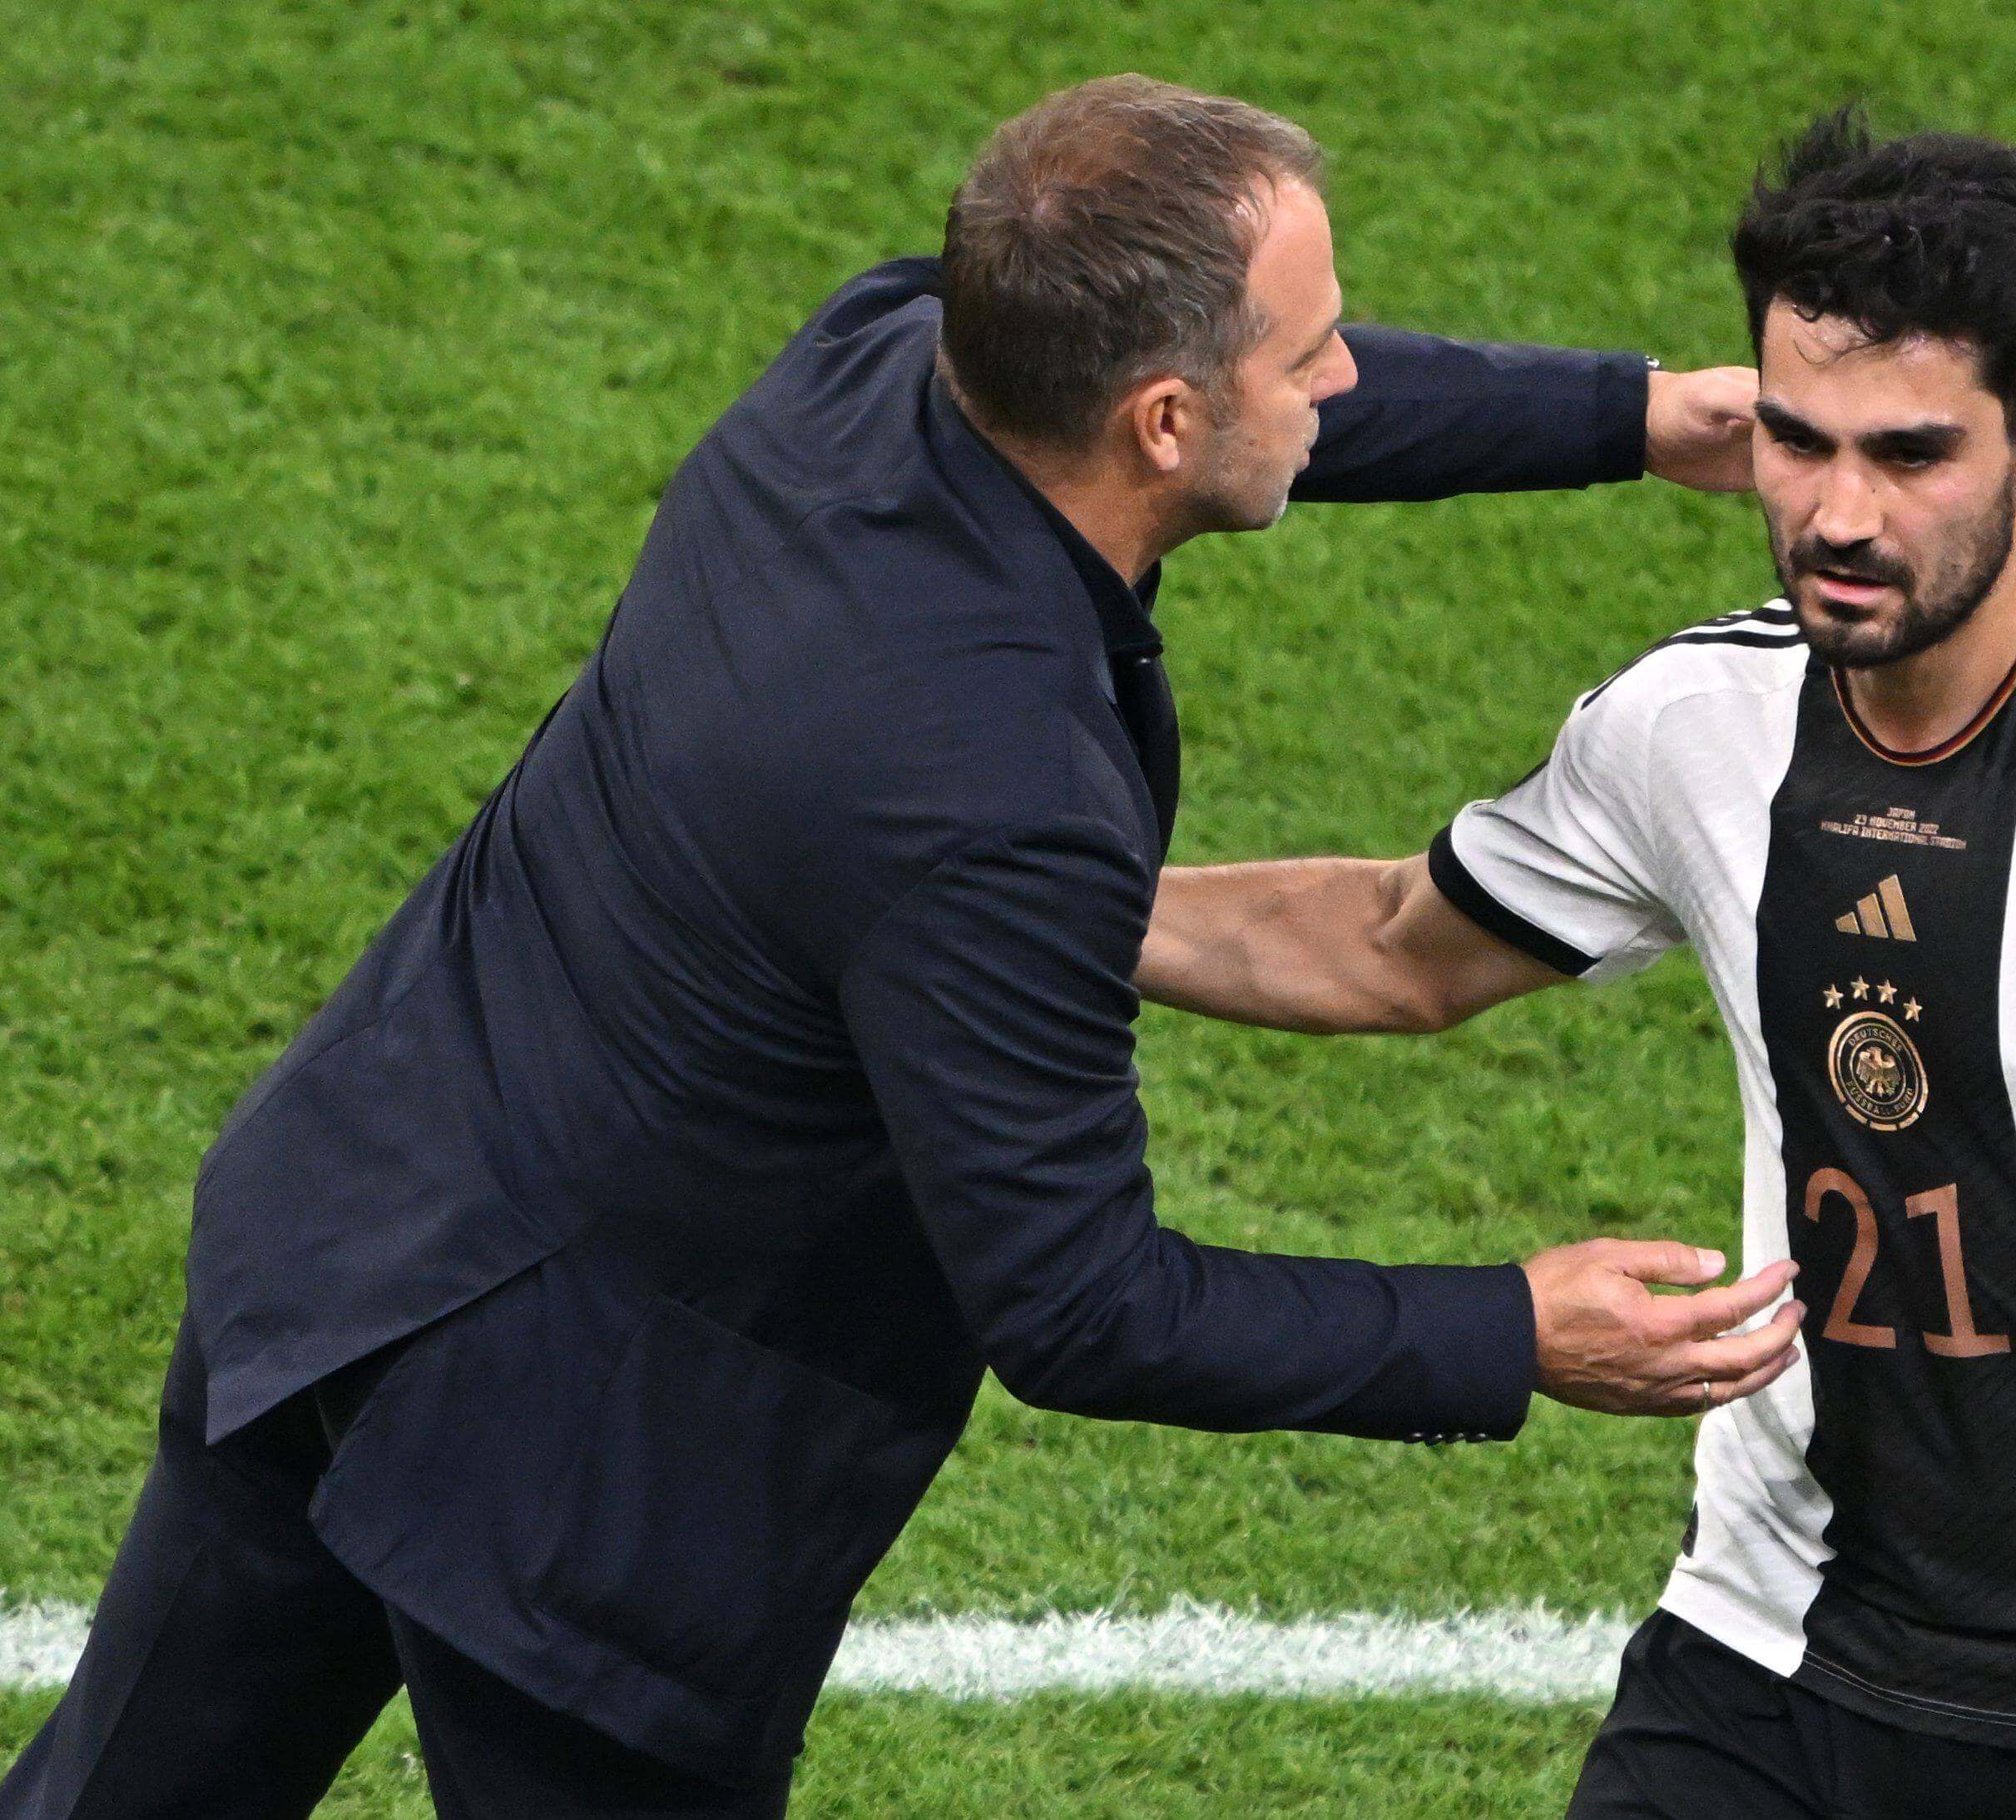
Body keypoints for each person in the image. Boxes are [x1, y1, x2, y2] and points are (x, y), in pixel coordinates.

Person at [0, 76, 1802, 1818]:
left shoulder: (877, 358)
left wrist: (1637, 417)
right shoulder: (993, 798)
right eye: (1311, 350)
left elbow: (1253, 400)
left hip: (339, 1235)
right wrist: (1506, 1329)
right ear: (1162, 423)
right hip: (577, 1485)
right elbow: (1085, 1306)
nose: (1345, 375)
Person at [1137, 107, 2016, 1819]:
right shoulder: (1696, 722)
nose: (1838, 515)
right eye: (1797, 441)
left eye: (1910, 455)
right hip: (1769, 1642)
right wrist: (1003, 908)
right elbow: (1388, 945)